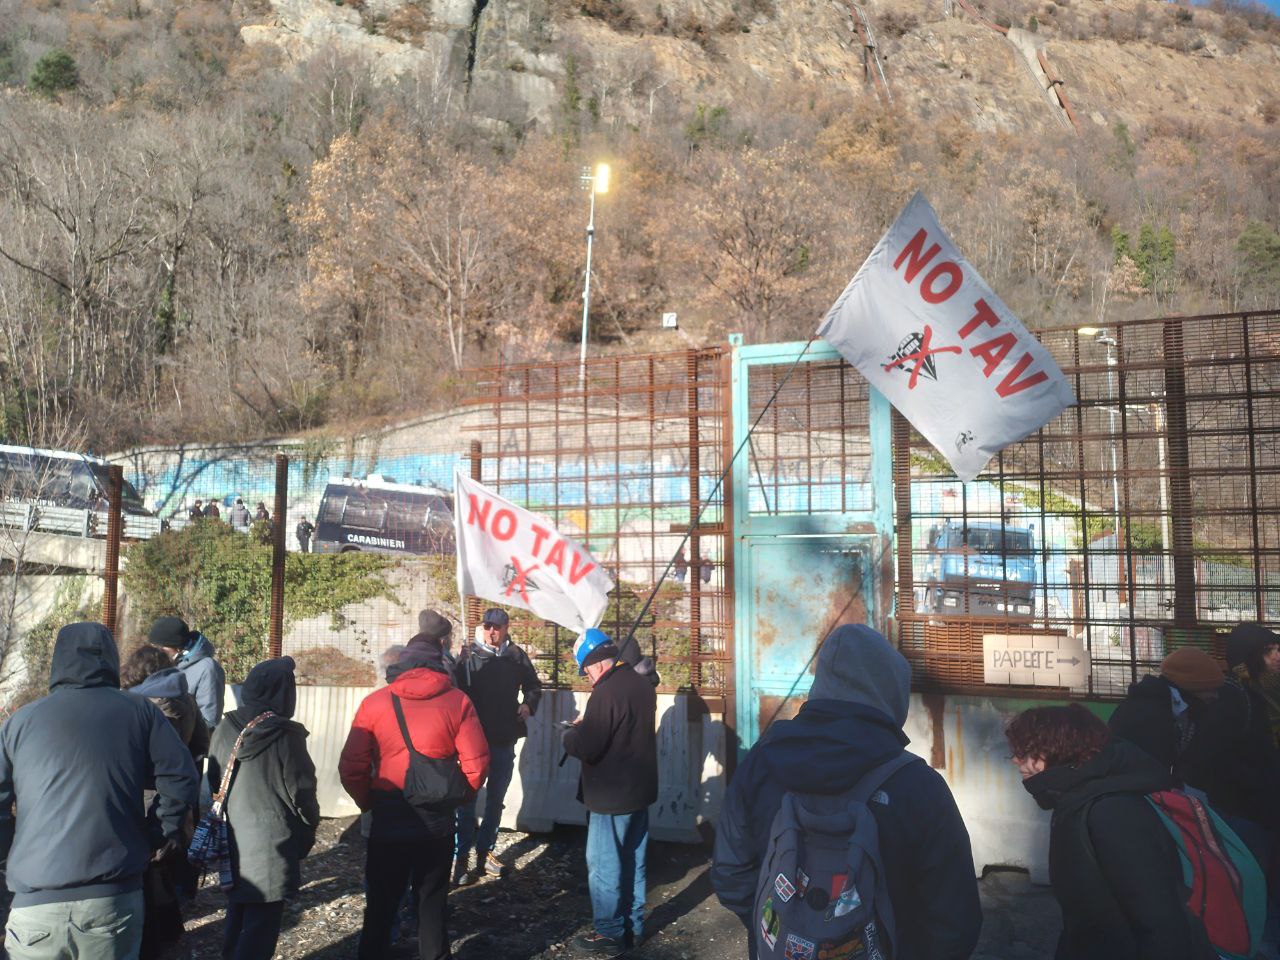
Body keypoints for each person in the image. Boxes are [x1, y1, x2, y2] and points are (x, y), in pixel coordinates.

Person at [712, 623, 980, 960]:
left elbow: (729, 872)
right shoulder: (920, 786)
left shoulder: (760, 762)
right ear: (891, 694)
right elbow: (955, 919)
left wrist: (784, 927)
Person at [0, 622, 199, 960]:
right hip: (113, 896)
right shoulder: (140, 712)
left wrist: (9, 853)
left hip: (34, 900)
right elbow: (181, 776)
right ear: (110, 658)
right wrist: (157, 832)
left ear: (58, 661)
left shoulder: (19, 722)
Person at [1006, 703, 1216, 960]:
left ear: (1057, 750)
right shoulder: (1077, 799)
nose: (1016, 759)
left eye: (1024, 751)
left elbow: (1160, 922)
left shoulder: (1111, 811)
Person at [339, 612, 489, 960]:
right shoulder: (458, 702)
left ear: (402, 663)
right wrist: (459, 798)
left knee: (380, 904)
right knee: (432, 900)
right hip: (436, 817)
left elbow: (351, 767)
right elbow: (477, 764)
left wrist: (369, 802)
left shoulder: (374, 703)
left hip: (388, 815)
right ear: (441, 662)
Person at [208, 657, 319, 960]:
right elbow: (303, 793)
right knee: (262, 925)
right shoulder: (286, 735)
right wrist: (308, 830)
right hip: (273, 841)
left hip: (231, 835)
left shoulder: (225, 725)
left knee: (239, 911)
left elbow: (214, 779)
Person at [562, 629, 657, 958]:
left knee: (605, 865)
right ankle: (634, 927)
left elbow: (589, 745)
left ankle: (609, 933)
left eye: (585, 669)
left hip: (610, 797)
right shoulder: (641, 685)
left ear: (595, 664)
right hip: (639, 792)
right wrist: (591, 724)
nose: (587, 677)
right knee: (635, 861)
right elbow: (620, 731)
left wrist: (571, 735)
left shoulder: (605, 693)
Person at [122, 645, 211, 959]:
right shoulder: (185, 698)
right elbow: (202, 744)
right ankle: (172, 928)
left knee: (150, 864)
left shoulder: (137, 705)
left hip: (148, 791)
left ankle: (154, 935)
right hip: (181, 787)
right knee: (169, 859)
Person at [453, 607, 542, 885]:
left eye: (497, 627)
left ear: (506, 628)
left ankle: (485, 853)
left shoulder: (515, 655)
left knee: (496, 800)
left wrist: (528, 704)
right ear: (483, 627)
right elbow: (455, 692)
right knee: (467, 799)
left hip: (504, 738)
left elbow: (534, 685)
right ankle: (462, 856)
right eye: (488, 626)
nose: (492, 631)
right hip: (473, 741)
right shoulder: (469, 657)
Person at [148, 616, 226, 730]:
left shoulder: (207, 669)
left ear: (177, 647)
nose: (155, 653)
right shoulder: (164, 663)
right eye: (153, 647)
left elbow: (209, 720)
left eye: (160, 648)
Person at [1227, 622, 1280, 750]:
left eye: (1278, 650)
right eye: (1268, 651)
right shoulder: (1236, 695)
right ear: (1248, 656)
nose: (1277, 657)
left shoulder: (1272, 685)